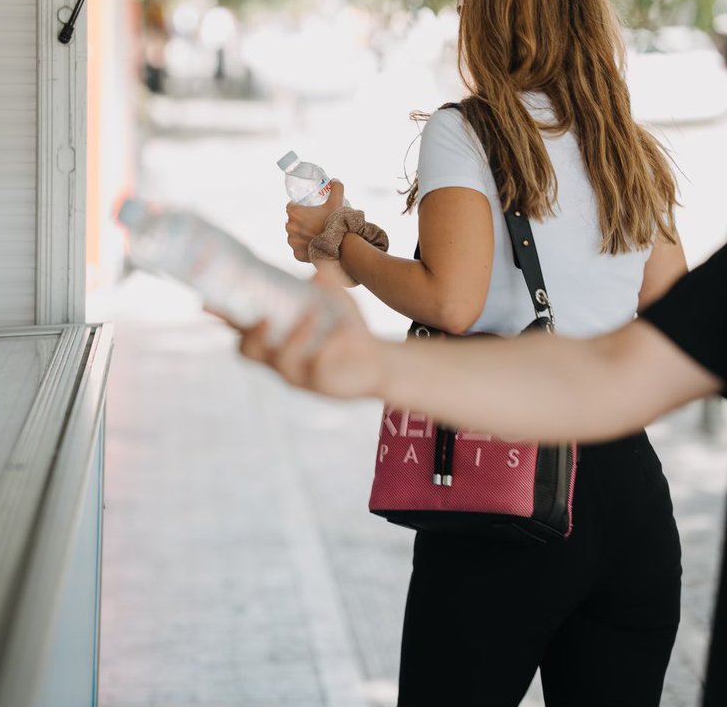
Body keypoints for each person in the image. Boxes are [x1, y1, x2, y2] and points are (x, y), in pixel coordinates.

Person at [282, 0, 688, 707]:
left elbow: (451, 301)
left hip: (508, 481)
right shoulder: (627, 148)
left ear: (487, 20)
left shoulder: (465, 130)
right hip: (629, 494)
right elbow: (670, 307)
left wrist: (341, 245)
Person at [231, 244, 727, 707]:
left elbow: (451, 305)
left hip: (522, 494)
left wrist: (348, 250)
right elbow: (630, 358)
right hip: (626, 483)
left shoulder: (460, 167)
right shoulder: (652, 183)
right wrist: (375, 363)